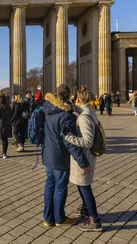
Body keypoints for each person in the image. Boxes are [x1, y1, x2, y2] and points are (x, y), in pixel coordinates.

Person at [41, 84, 90, 228]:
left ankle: (47, 218)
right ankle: (60, 218)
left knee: (50, 184)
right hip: (60, 156)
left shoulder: (47, 109)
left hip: (48, 154)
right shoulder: (66, 116)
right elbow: (70, 143)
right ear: (69, 95)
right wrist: (83, 163)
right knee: (60, 187)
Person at [64, 86, 103, 232]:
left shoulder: (84, 118)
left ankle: (95, 220)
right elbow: (81, 111)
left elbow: (87, 141)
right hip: (87, 156)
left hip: (85, 158)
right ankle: (87, 212)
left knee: (85, 187)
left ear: (79, 99)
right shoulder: (89, 111)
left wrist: (68, 137)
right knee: (82, 186)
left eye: (75, 99)